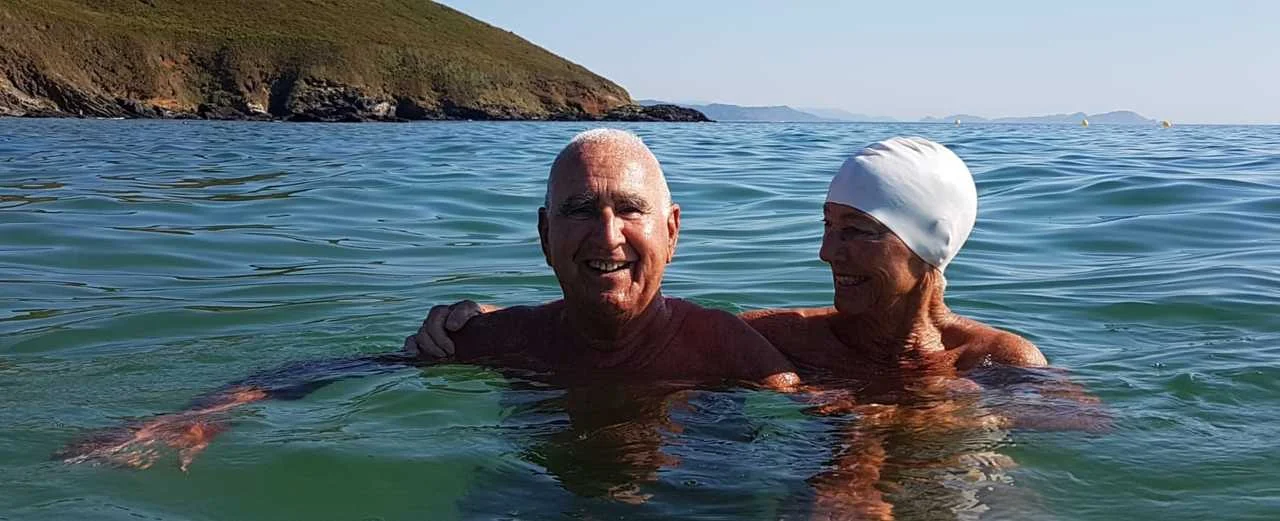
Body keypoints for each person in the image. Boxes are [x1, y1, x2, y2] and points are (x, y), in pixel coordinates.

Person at [59, 128, 799, 474]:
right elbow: (341, 368)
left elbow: (831, 424)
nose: (607, 234)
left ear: (672, 231)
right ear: (545, 235)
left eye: (629, 209)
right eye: (579, 210)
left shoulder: (726, 348)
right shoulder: (505, 340)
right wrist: (204, 413)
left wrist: (848, 481)